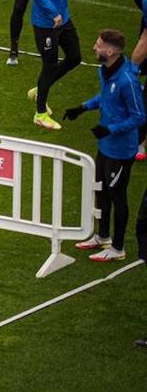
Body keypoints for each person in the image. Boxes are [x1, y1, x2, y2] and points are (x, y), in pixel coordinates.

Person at [25, 0, 120, 129]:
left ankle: (41, 89)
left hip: (63, 19)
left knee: (75, 57)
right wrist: (52, 12)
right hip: (46, 23)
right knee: (49, 65)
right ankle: (40, 113)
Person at [63, 30, 145, 263]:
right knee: (101, 190)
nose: (94, 48)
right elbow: (105, 98)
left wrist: (110, 129)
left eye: (98, 45)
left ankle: (118, 248)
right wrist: (82, 108)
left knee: (117, 195)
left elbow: (139, 117)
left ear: (110, 52)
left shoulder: (127, 80)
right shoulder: (105, 70)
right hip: (105, 145)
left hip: (121, 150)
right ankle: (102, 236)